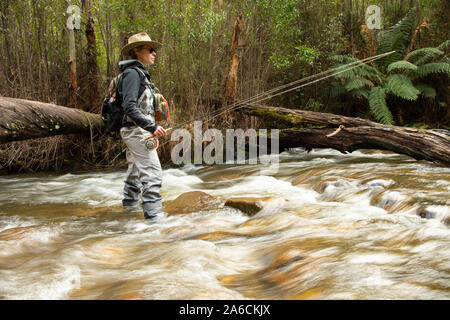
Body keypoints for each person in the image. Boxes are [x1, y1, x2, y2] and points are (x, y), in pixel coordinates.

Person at [118, 32, 167, 219]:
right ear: (137, 51)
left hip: (136, 131)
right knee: (153, 175)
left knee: (134, 174)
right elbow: (129, 107)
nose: (154, 53)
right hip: (135, 131)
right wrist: (151, 127)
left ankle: (128, 214)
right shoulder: (132, 74)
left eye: (154, 50)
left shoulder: (139, 74)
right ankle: (155, 221)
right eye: (150, 49)